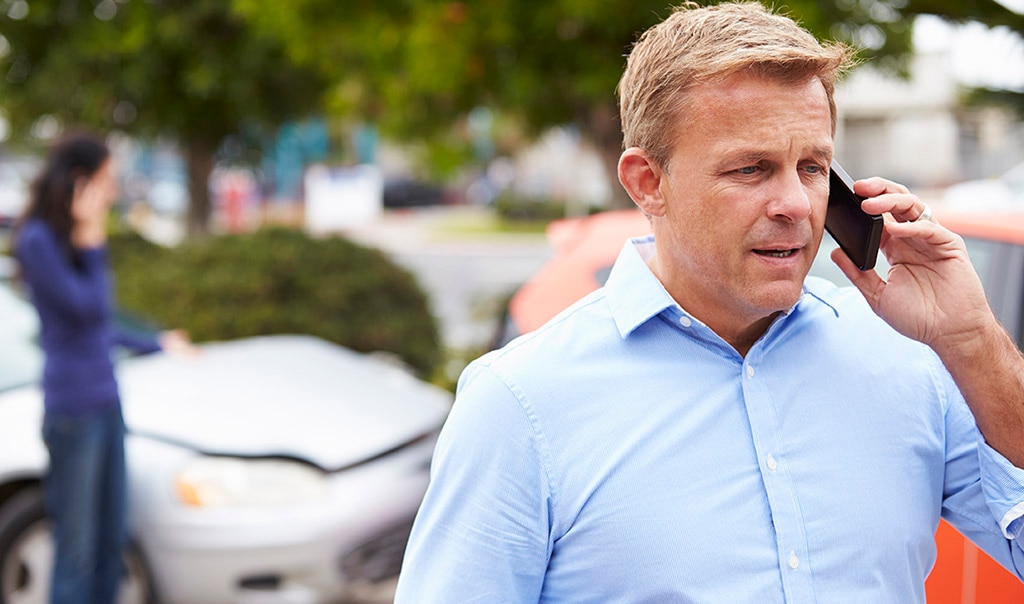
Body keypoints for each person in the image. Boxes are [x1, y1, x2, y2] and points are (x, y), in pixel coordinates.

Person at [395, 2, 1024, 602]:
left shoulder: (911, 363)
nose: (796, 205)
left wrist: (971, 341)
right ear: (648, 183)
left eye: (811, 167)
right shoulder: (520, 404)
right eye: (750, 169)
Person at [13, 131, 195, 604]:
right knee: (77, 549)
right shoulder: (37, 241)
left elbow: (101, 327)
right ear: (80, 183)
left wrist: (156, 342)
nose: (113, 191)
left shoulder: (73, 241)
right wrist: (91, 238)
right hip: (73, 411)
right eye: (107, 180)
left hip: (107, 402)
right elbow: (84, 308)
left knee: (111, 540)